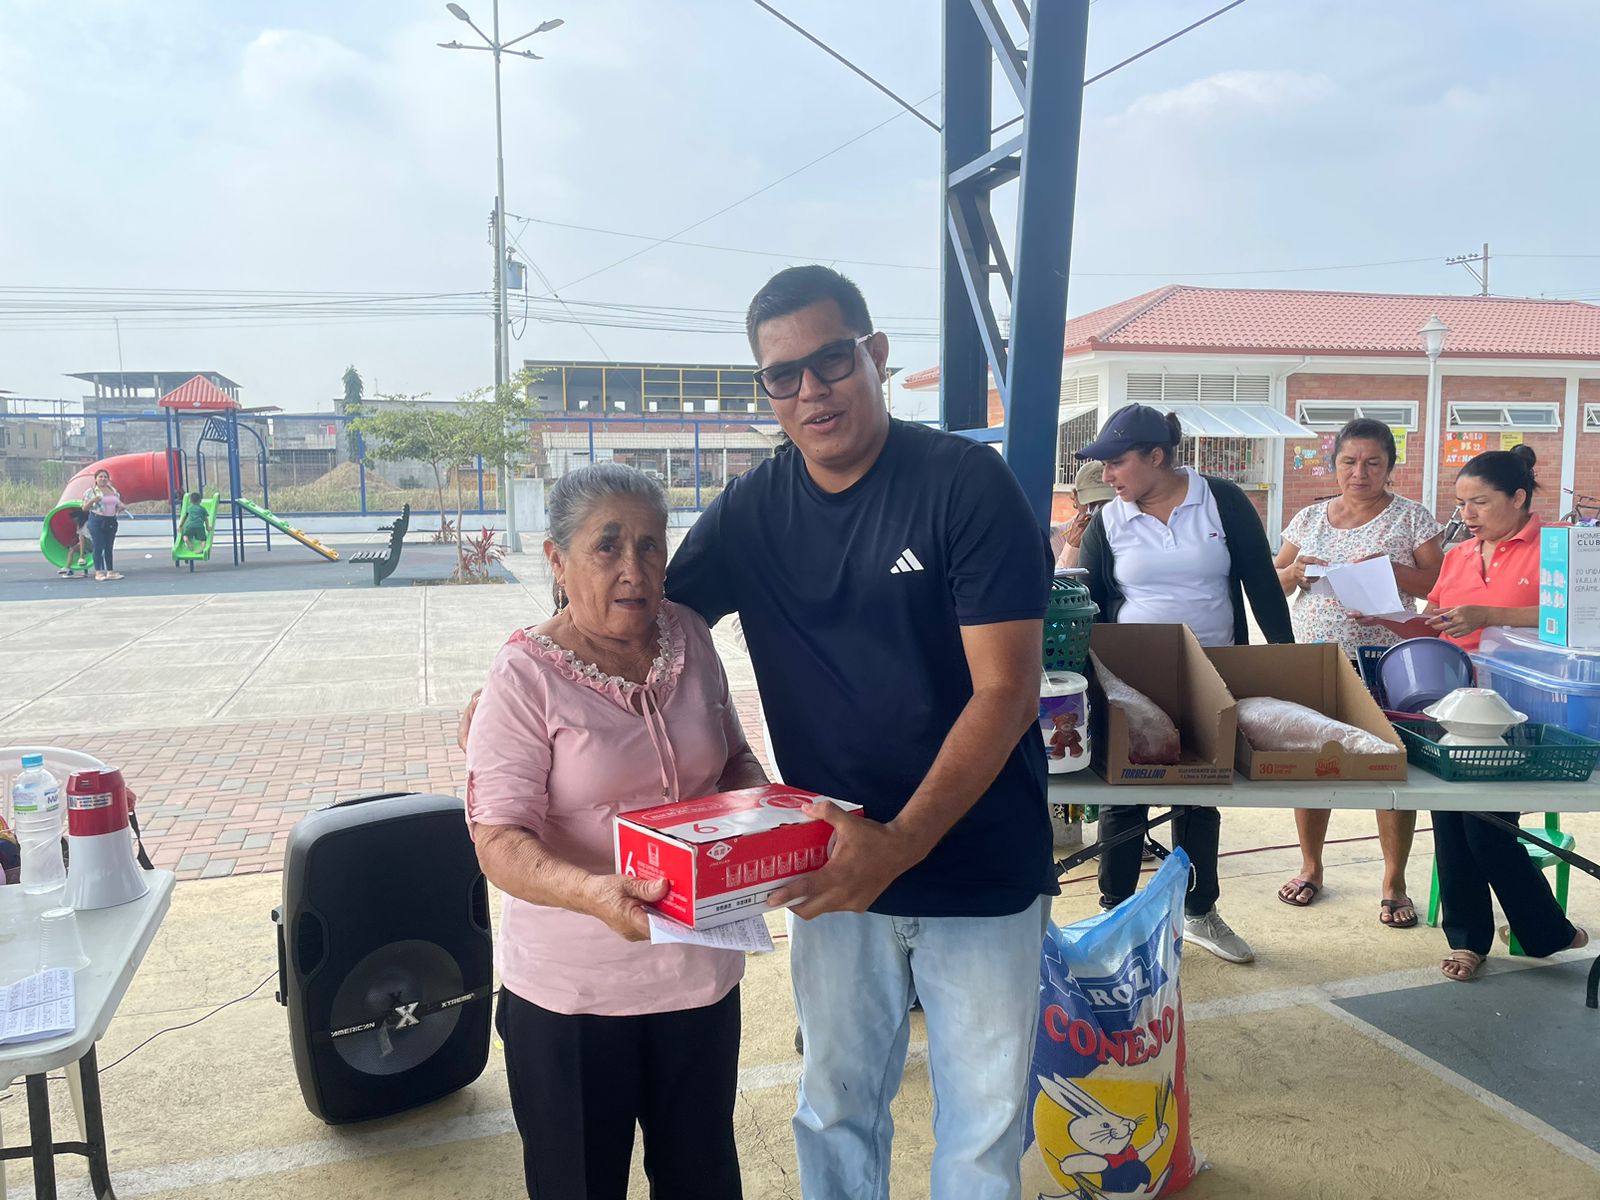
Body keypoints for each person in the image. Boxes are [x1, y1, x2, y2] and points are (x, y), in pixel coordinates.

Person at [668, 266, 1056, 1200]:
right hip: (831, 866)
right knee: (834, 1108)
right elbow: (649, 621)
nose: (812, 390)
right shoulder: (751, 512)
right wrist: (536, 664)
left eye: (832, 360)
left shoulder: (964, 485)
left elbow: (1007, 692)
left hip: (980, 868)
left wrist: (901, 842)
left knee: (983, 1127)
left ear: (876, 355)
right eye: (783, 374)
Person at [463, 463, 766, 1200]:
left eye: (650, 545)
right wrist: (595, 893)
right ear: (557, 560)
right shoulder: (524, 676)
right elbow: (497, 839)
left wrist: (769, 827)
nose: (634, 568)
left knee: (702, 1180)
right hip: (573, 996)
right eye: (607, 546)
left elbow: (732, 758)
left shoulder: (689, 637)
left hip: (699, 976)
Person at [1359, 445, 1588, 979]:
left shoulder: (1557, 547)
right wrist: (1385, 618)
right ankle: (1470, 940)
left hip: (1521, 709)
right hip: (1452, 703)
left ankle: (1545, 930)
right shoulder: (1461, 553)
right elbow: (1436, 621)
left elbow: (1575, 614)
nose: (1467, 514)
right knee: (1450, 824)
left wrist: (1490, 614)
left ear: (1519, 497)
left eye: (1479, 502)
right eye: (1461, 504)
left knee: (1487, 827)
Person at [1077, 403, 1293, 965]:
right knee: (1124, 795)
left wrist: (1288, 662)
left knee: (1199, 794)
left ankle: (1198, 911)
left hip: (1212, 674)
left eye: (1117, 462)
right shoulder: (1108, 521)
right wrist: (1087, 683)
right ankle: (1115, 914)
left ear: (1157, 456)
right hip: (1131, 679)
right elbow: (1090, 603)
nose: (1107, 475)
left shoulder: (1220, 501)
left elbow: (1262, 584)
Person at [1272, 419, 1444, 927]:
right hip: (1315, 662)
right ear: (1335, 465)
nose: (1360, 472)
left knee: (1389, 768)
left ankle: (1394, 882)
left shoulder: (1412, 518)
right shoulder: (1308, 519)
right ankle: (1311, 866)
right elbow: (1273, 582)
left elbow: (1437, 584)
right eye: (1349, 461)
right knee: (1312, 763)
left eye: (1373, 463)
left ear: (1390, 467)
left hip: (1387, 666)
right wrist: (1293, 573)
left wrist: (1391, 570)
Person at [1050, 459, 1113, 569]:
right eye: (1091, 504)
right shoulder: (1058, 537)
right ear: (1075, 497)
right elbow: (1055, 579)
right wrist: (1072, 546)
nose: (1099, 512)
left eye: (1107, 503)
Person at [81, 468, 127, 581]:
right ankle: (99, 572)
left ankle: (110, 571)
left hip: (111, 520)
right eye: (100, 476)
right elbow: (84, 508)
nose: (103, 479)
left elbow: (117, 504)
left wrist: (121, 506)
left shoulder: (112, 490)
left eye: (105, 477)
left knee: (109, 546)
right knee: (99, 545)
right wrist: (93, 501)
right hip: (96, 520)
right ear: (96, 479)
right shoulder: (91, 492)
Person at [58, 507, 93, 579]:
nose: (74, 521)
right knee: (72, 549)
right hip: (84, 543)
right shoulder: (79, 526)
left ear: (79, 518)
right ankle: (67, 567)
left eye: (75, 519)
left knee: (82, 537)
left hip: (92, 543)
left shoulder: (87, 524)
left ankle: (81, 557)